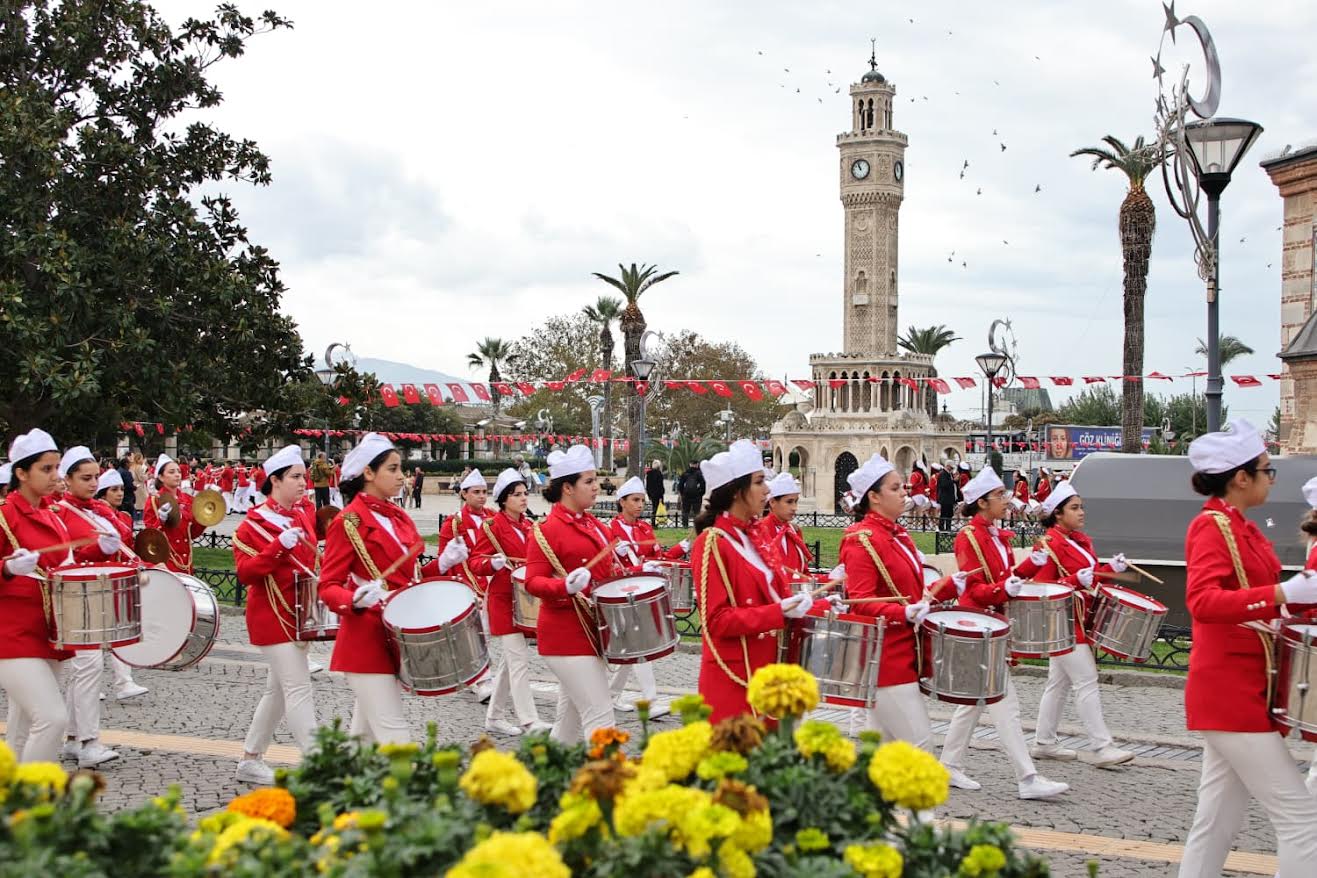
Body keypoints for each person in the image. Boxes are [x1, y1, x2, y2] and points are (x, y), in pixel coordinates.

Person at [1176, 420, 1317, 876]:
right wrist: (1281, 594)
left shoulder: (1238, 526)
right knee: (1303, 820)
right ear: (1241, 477)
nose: (1271, 478)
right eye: (1266, 470)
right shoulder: (1211, 526)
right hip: (1230, 690)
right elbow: (1202, 602)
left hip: (1243, 686)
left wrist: (1290, 600)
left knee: (1216, 821)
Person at [938, 467, 1069, 800]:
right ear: (982, 502)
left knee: (974, 704)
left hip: (993, 623)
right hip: (978, 624)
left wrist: (1030, 565)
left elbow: (1006, 579)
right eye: (999, 495)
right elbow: (974, 590)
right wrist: (1004, 589)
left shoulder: (995, 535)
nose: (1006, 500)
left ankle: (948, 765)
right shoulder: (969, 536)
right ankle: (1027, 777)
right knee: (1005, 706)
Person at [692, 440, 834, 723]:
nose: (767, 490)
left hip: (769, 672)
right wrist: (778, 612)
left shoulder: (754, 537)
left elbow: (777, 600)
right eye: (759, 482)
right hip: (735, 678)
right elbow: (716, 621)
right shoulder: (713, 542)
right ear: (736, 491)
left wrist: (820, 605)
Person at [840, 454, 964, 752]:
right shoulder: (861, 539)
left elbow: (912, 592)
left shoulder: (898, 535)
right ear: (874, 497)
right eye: (895, 488)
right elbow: (860, 602)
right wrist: (903, 612)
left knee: (883, 753)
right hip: (884, 656)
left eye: (902, 486)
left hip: (905, 650)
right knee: (920, 747)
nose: (904, 492)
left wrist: (946, 586)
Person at [1012, 481, 1134, 768]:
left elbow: (1089, 576)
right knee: (1086, 680)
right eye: (1075, 508)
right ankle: (1102, 747)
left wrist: (1110, 570)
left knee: (1059, 683)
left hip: (1078, 617)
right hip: (1062, 620)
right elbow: (1042, 587)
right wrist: (1074, 581)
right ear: (1058, 513)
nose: (1081, 512)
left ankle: (1044, 742)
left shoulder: (1079, 540)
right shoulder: (1049, 543)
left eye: (1082, 507)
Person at [318, 434, 423, 745]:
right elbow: (328, 586)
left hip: (395, 634)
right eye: (392, 469)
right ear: (368, 473)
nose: (401, 476)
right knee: (394, 734)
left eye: (400, 468)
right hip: (365, 639)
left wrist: (443, 564)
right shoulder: (347, 522)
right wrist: (353, 599)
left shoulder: (400, 516)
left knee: (363, 739)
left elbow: (409, 576)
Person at [231, 446, 321, 783]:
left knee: (279, 693)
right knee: (298, 688)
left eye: (303, 476)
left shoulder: (301, 515)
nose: (303, 483)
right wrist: (278, 547)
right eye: (295, 477)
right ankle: (318, 763)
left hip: (298, 615)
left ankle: (250, 758)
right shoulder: (251, 525)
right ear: (275, 480)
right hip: (271, 616)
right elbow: (246, 573)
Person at [524, 445, 624, 744]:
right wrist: (564, 587)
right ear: (567, 488)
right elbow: (532, 582)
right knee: (601, 717)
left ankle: (546, 771)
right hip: (565, 635)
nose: (596, 487)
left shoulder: (594, 524)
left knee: (567, 727)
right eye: (589, 481)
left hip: (591, 630)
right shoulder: (547, 529)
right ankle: (608, 771)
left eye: (596, 481)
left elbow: (607, 571)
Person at [49, 446, 134, 769]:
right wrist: (100, 547)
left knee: (84, 669)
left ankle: (74, 738)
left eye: (95, 477)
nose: (93, 483)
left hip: (97, 594)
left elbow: (123, 539)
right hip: (74, 596)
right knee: (88, 667)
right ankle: (88, 742)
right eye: (85, 478)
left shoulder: (98, 509)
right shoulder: (60, 512)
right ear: (68, 479)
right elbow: (66, 555)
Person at [0, 429, 73, 762]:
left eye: (56, 467)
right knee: (52, 718)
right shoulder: (4, 515)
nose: (55, 476)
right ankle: (32, 790)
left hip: (47, 630)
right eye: (46, 469)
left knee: (23, 725)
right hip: (11, 634)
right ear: (21, 472)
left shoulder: (51, 514)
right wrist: (7, 568)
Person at [468, 468, 551, 737]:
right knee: (518, 661)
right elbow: (475, 562)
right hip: (503, 599)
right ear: (504, 499)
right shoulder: (492, 527)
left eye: (525, 493)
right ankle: (529, 721)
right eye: (517, 494)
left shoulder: (530, 526)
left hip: (525, 600)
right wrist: (491, 564)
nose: (524, 498)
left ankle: (494, 717)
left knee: (509, 662)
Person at [606, 475, 689, 717]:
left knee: (631, 648)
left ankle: (610, 696)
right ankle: (650, 701)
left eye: (642, 500)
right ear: (622, 502)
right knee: (637, 646)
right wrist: (634, 565)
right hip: (620, 594)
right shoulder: (610, 529)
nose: (640, 505)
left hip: (642, 592)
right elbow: (608, 568)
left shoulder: (644, 528)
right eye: (635, 500)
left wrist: (680, 548)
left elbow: (658, 558)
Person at [92, 468, 149, 700]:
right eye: (113, 490)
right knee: (97, 636)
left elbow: (129, 549)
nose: (119, 493)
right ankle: (92, 685)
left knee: (118, 631)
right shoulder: (95, 515)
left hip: (119, 580)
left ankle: (124, 682)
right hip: (100, 578)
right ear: (103, 493)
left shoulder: (124, 517)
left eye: (121, 489)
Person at [143, 453, 206, 573]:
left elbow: (192, 533)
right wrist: (161, 521)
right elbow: (149, 536)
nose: (177, 475)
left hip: (186, 561)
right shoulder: (154, 500)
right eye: (171, 472)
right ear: (161, 477)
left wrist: (204, 520)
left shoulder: (188, 499)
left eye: (178, 471)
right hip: (166, 561)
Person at [751, 472, 813, 577]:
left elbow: (803, 571)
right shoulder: (760, 530)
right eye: (789, 502)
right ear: (772, 502)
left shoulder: (795, 530)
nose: (795, 508)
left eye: (796, 502)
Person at [677, 461, 705, 529]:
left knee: (685, 511)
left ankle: (685, 525)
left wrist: (682, 493)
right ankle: (697, 526)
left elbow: (680, 485)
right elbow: (703, 485)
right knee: (697, 512)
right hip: (697, 495)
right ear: (697, 465)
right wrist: (701, 493)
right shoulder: (700, 473)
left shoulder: (685, 473)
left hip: (686, 495)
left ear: (690, 464)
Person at [936, 460, 961, 532]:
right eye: (951, 467)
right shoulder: (943, 474)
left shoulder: (949, 474)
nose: (952, 469)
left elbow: (952, 484)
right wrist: (953, 481)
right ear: (947, 466)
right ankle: (941, 528)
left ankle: (948, 528)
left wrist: (955, 480)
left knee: (949, 514)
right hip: (945, 498)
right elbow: (944, 485)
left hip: (949, 498)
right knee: (944, 514)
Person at [114, 455, 137, 522]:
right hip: (127, 497)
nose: (130, 465)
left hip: (120, 498)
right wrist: (134, 487)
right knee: (129, 516)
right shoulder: (126, 473)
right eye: (129, 463)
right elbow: (129, 485)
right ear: (126, 464)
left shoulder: (118, 471)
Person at [645, 460, 666, 525]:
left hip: (652, 494)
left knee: (654, 507)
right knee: (658, 508)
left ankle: (653, 521)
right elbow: (660, 485)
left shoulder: (649, 474)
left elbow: (647, 486)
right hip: (658, 494)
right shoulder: (659, 474)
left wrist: (649, 495)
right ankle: (657, 521)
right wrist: (661, 494)